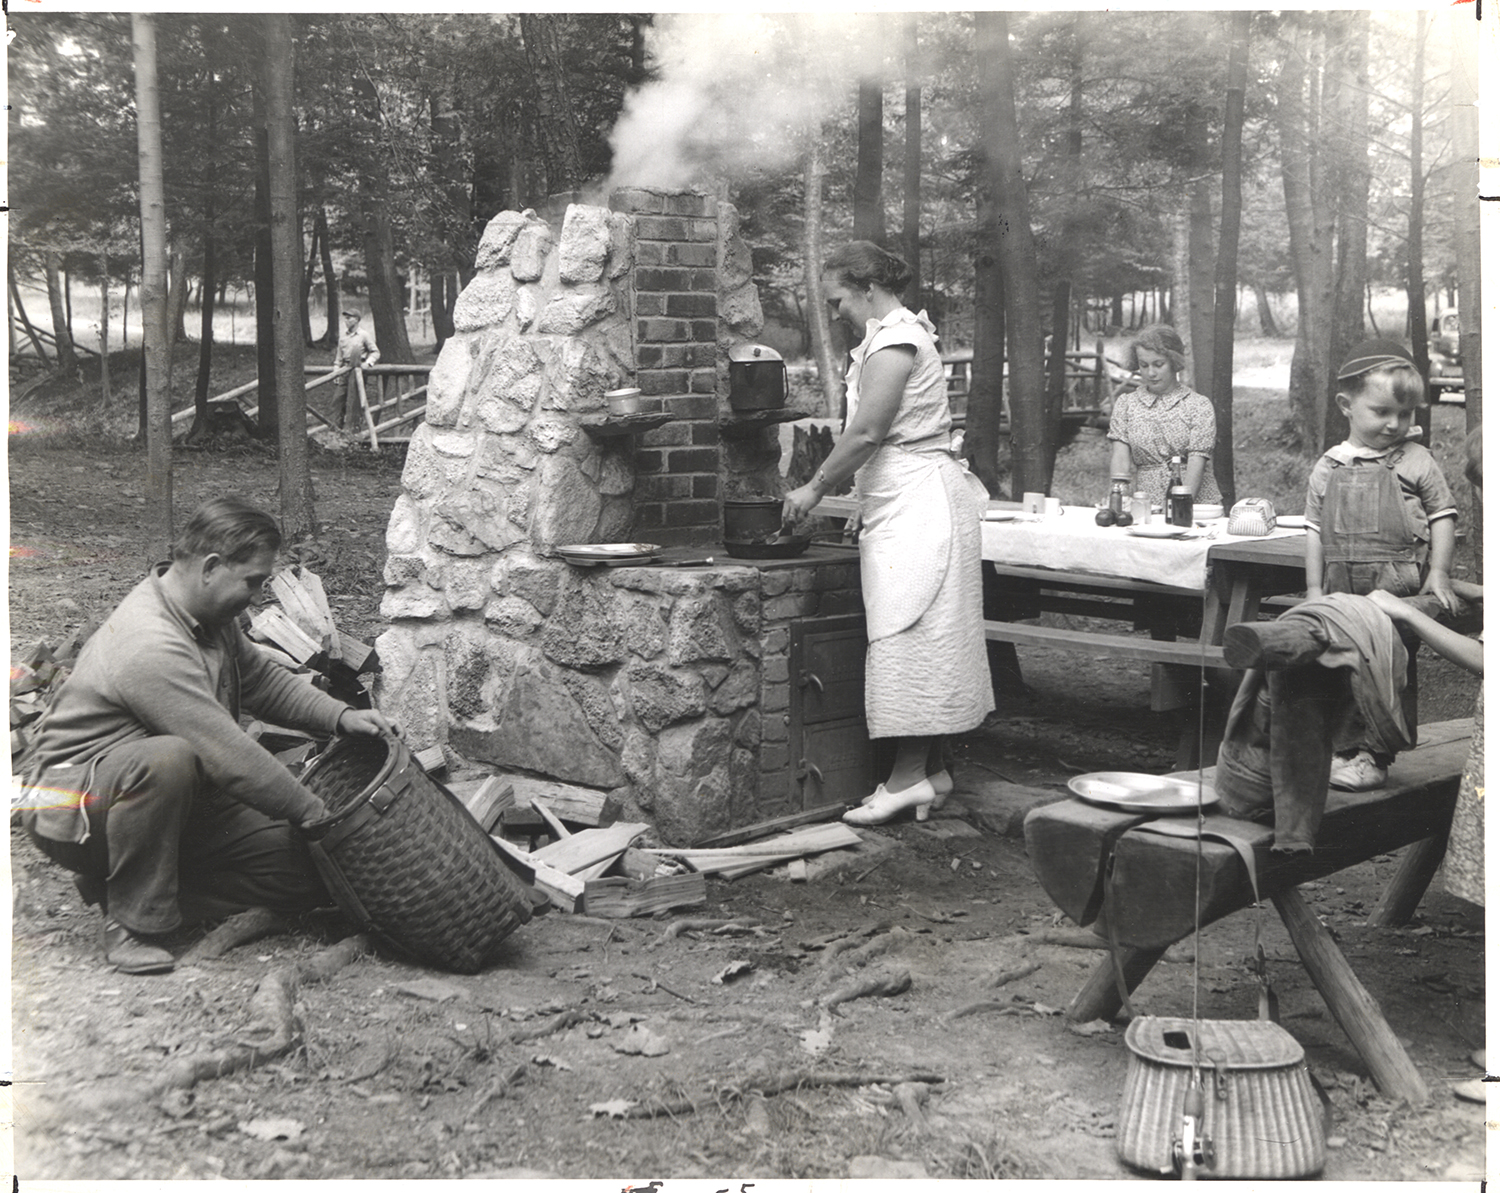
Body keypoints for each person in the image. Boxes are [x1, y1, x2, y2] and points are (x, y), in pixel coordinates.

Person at [15, 497, 399, 975]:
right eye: (253, 581)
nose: (258, 596)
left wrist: (340, 716)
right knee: (168, 759)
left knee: (313, 872)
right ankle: (132, 921)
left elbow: (260, 680)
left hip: (168, 803)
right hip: (76, 812)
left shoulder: (208, 615)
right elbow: (228, 755)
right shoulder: (148, 643)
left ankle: (135, 887)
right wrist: (318, 817)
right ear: (212, 567)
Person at [782, 241, 993, 825]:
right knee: (912, 631)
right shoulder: (887, 339)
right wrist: (861, 500)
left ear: (868, 288)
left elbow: (870, 432)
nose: (833, 312)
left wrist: (815, 488)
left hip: (923, 502)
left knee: (914, 635)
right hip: (904, 496)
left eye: (837, 300)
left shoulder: (898, 341)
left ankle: (904, 782)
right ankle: (928, 772)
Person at [1304, 338, 1458, 790]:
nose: (1395, 425)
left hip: (1395, 587)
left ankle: (1376, 755)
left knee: (1387, 669)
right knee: (1339, 666)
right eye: (1382, 412)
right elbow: (1313, 529)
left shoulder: (1416, 460)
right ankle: (1341, 750)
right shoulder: (1329, 465)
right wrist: (1314, 589)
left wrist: (1440, 572)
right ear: (1346, 406)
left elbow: (1443, 515)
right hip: (1339, 585)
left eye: (1405, 414)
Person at [1106, 324, 1223, 509]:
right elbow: (1120, 459)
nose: (1151, 373)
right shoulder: (1126, 404)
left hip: (1197, 504)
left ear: (1174, 362)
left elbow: (1197, 462)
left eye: (1159, 364)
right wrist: (1118, 499)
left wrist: (1181, 507)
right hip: (1147, 503)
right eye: (1144, 365)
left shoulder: (1198, 406)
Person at [332, 308, 380, 430]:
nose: (346, 321)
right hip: (344, 371)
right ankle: (336, 429)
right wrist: (336, 372)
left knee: (355, 401)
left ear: (357, 320)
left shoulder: (364, 335)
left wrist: (368, 363)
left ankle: (354, 429)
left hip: (358, 371)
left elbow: (375, 352)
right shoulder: (343, 337)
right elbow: (339, 358)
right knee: (338, 400)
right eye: (345, 318)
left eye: (349, 318)